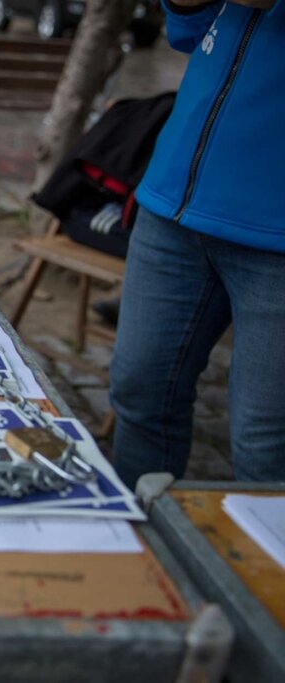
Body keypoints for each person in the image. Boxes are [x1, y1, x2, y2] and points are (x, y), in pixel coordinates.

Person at [110, 0, 285, 488]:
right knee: (140, 393)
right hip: (174, 205)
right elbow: (190, 34)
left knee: (266, 443)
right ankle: (142, 531)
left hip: (275, 232)